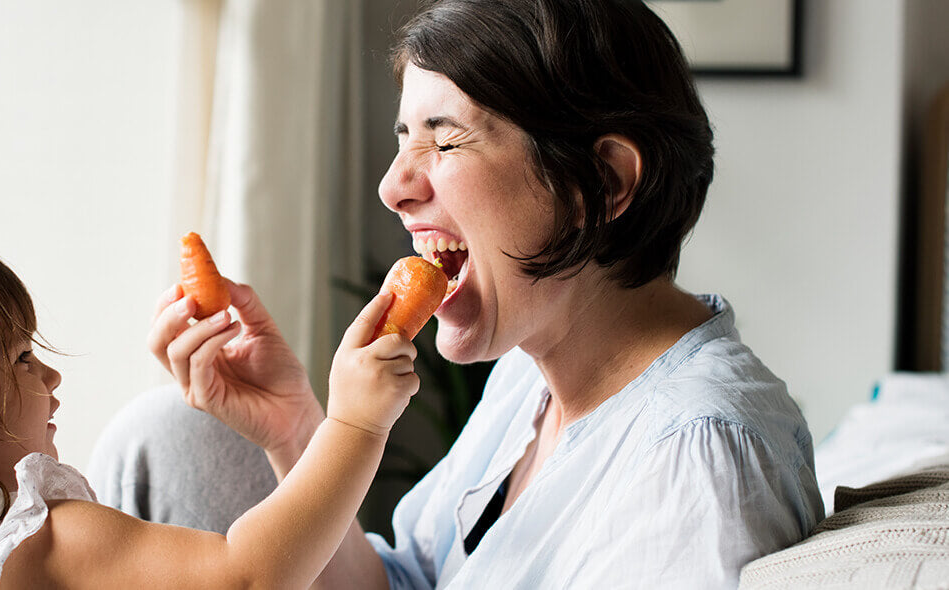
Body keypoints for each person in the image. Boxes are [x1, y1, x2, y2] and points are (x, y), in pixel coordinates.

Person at [134, 0, 824, 587]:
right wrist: (293, 428)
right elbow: (405, 581)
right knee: (172, 430)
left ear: (604, 184)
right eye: (406, 140)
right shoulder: (531, 375)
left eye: (446, 142)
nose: (392, 188)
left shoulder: (695, 462)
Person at [0, 233, 424, 590]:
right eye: (22, 360)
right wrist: (354, 425)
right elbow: (247, 575)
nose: (51, 374)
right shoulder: (32, 540)